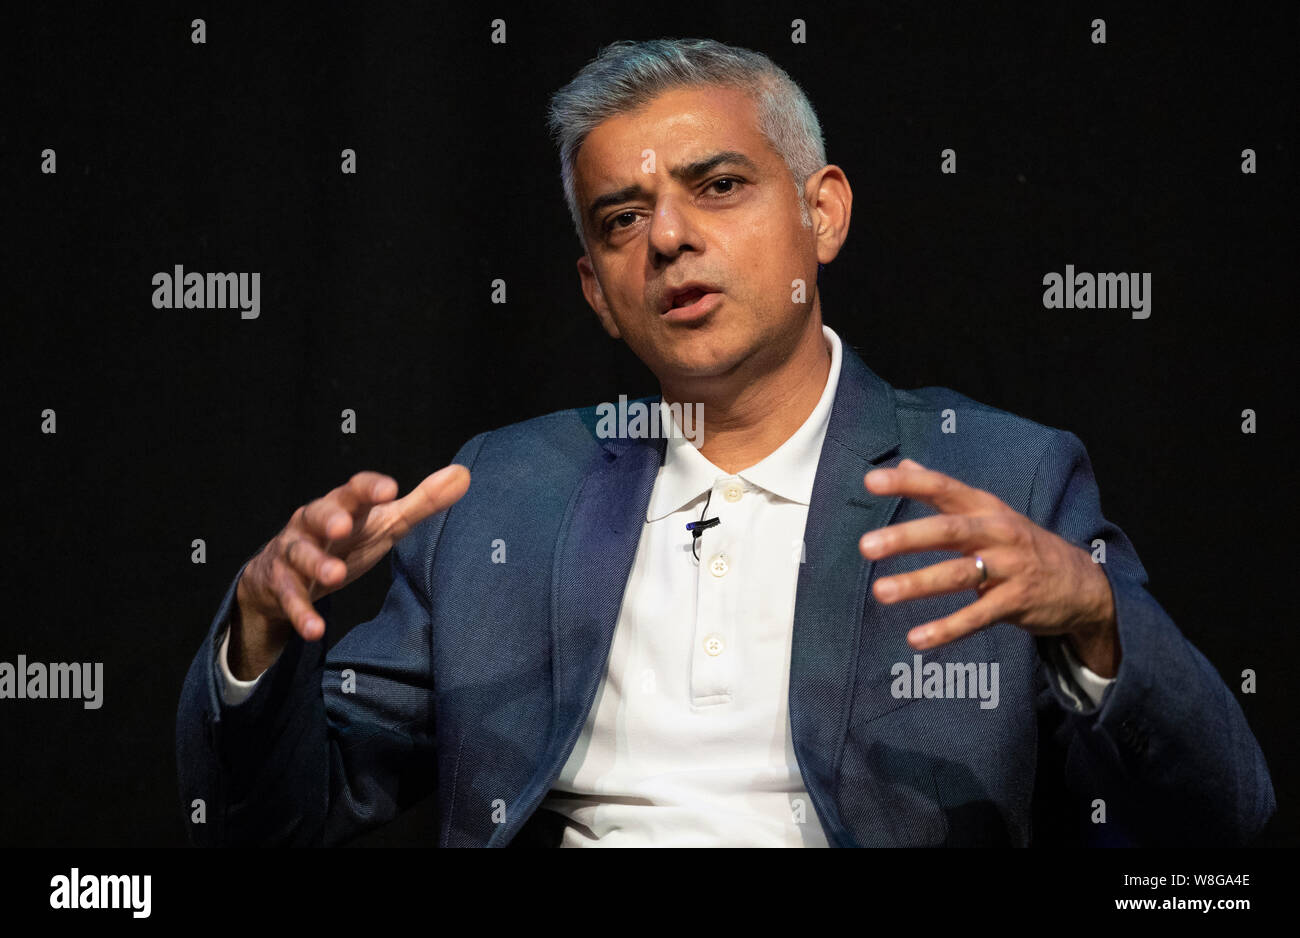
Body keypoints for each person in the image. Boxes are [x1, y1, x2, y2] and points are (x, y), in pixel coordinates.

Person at [176, 38, 1275, 847]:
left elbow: (1221, 818)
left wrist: (1095, 620)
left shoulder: (1004, 475)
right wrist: (262, 636)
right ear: (597, 293)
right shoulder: (503, 491)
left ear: (823, 213)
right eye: (619, 219)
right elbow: (274, 817)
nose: (666, 237)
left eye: (718, 186)